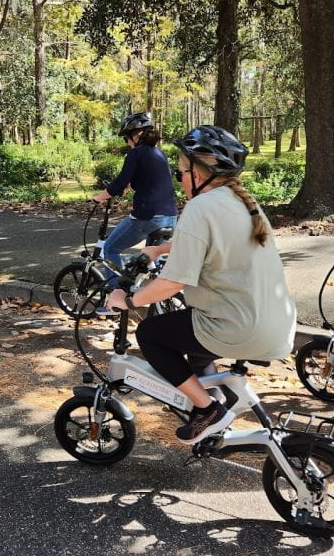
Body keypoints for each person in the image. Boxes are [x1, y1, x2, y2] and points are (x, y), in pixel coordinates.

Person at [104, 125, 297, 444]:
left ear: (200, 173)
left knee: (151, 334)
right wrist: (160, 249)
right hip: (276, 321)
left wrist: (128, 300)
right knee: (192, 340)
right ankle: (215, 397)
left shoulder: (200, 207)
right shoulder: (241, 202)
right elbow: (214, 241)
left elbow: (171, 283)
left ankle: (208, 410)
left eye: (181, 172)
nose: (179, 181)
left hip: (240, 326)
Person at [91, 112, 177, 295]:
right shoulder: (158, 153)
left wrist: (100, 197)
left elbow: (118, 184)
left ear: (135, 135)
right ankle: (162, 298)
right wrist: (131, 185)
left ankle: (117, 297)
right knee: (151, 257)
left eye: (126, 139)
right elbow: (151, 180)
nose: (127, 143)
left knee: (110, 248)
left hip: (148, 217)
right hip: (170, 216)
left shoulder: (135, 154)